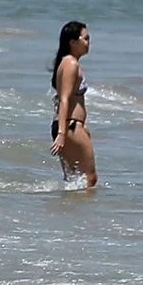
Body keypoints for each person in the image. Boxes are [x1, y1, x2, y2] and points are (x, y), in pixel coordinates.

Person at [49, 21, 97, 187]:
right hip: (69, 127)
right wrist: (62, 133)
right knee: (90, 179)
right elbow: (64, 99)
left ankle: (70, 210)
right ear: (73, 42)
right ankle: (83, 211)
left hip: (71, 127)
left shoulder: (66, 62)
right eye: (85, 38)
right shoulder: (71, 64)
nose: (88, 42)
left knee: (74, 181)